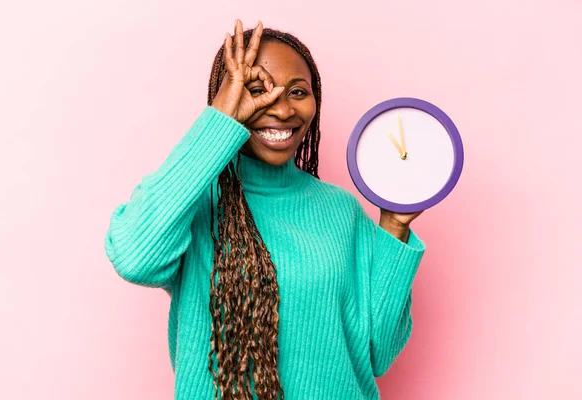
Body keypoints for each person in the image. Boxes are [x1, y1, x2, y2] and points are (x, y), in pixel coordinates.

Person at [104, 19, 426, 400]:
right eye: (258, 90)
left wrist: (394, 226)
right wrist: (222, 119)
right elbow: (134, 258)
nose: (283, 108)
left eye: (298, 91)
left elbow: (377, 352)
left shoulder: (341, 210)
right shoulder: (193, 200)